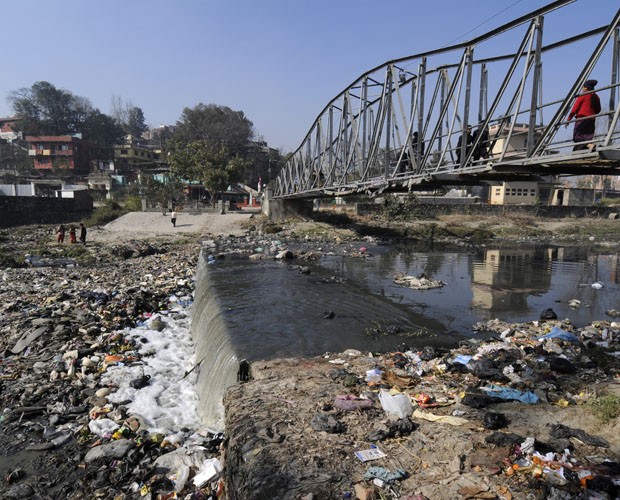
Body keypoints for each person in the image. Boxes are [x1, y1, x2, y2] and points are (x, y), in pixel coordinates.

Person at [566, 79, 601, 151]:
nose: (582, 88)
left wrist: (569, 119)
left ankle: (590, 145)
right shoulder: (596, 96)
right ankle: (589, 148)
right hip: (591, 120)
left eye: (583, 87)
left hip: (582, 119)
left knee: (577, 137)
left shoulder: (583, 95)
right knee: (587, 137)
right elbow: (598, 110)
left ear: (586, 88)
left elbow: (575, 108)